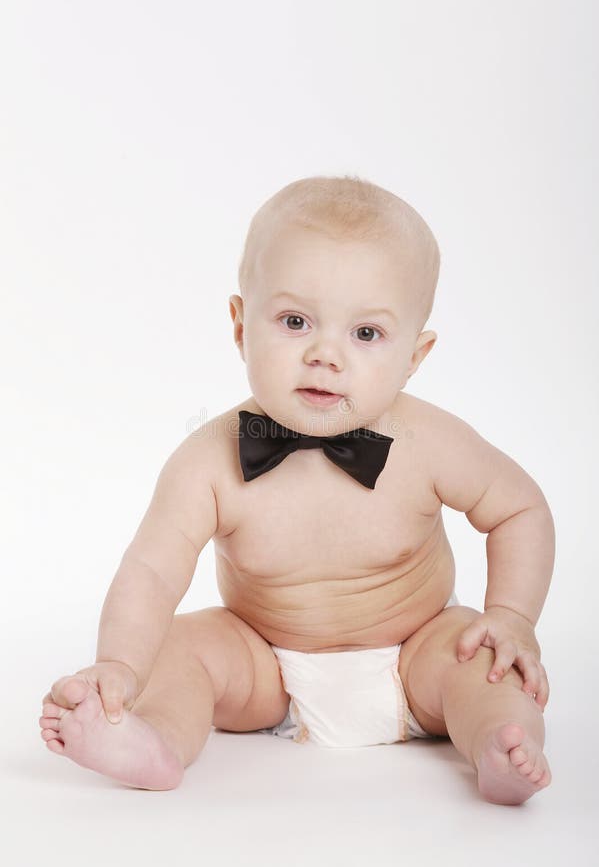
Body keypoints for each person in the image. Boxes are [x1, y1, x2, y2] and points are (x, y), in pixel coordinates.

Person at [39, 176, 554, 805]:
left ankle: (501, 741)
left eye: (366, 334)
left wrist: (512, 616)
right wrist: (120, 664)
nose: (324, 355)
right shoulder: (206, 460)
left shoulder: (430, 441)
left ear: (415, 356)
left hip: (416, 651)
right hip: (267, 667)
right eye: (294, 321)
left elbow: (519, 509)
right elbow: (150, 570)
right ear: (239, 325)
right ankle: (154, 739)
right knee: (182, 647)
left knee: (481, 659)